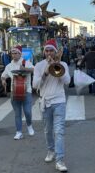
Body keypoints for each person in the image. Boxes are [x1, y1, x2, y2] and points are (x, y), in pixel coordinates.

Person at [32, 39, 70, 172]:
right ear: (44, 52)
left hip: (59, 101)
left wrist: (57, 67)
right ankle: (51, 151)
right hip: (45, 101)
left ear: (55, 52)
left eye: (51, 51)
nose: (49, 53)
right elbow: (35, 85)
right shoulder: (38, 66)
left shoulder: (62, 64)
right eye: (46, 50)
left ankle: (60, 160)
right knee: (48, 130)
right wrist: (46, 72)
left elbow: (67, 81)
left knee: (59, 131)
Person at [1, 45, 35, 140]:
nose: (14, 55)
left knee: (27, 111)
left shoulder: (26, 62)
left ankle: (29, 125)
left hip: (26, 91)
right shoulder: (9, 66)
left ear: (20, 54)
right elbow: (3, 75)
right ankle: (19, 132)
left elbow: (34, 70)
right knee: (17, 113)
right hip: (14, 91)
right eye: (13, 53)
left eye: (16, 53)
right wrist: (3, 80)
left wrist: (25, 69)